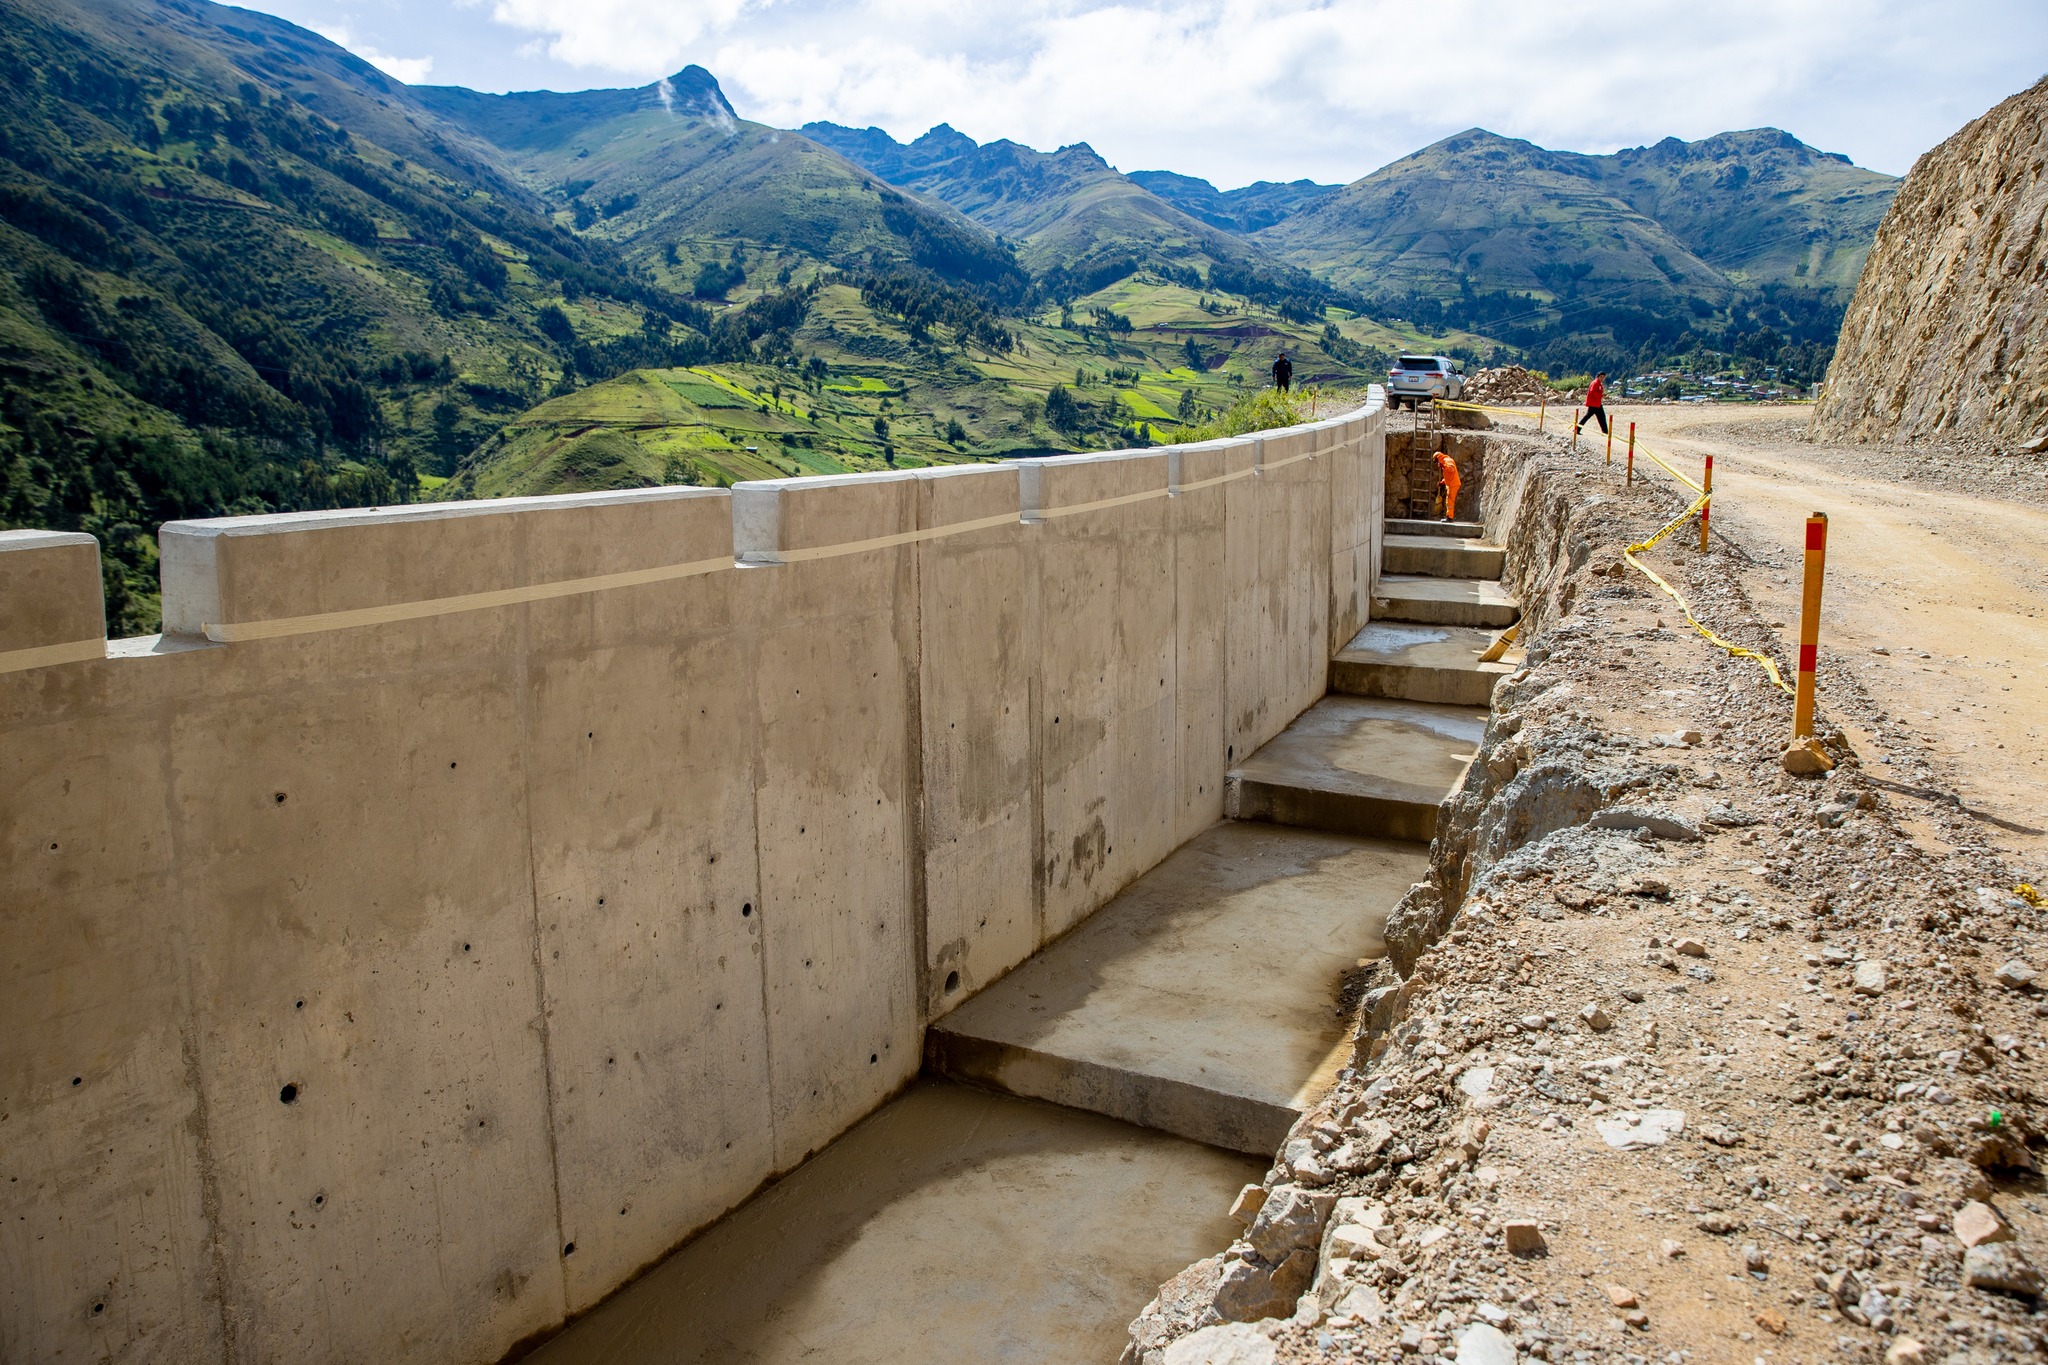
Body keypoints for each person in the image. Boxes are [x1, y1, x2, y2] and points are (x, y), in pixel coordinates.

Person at [1434, 449, 1461, 522]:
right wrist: (1442, 482)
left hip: (1453, 484)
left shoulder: (1447, 461)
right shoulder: (1445, 462)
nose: (1437, 463)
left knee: (1450, 501)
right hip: (1451, 484)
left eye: (1436, 461)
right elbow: (1448, 476)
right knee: (1448, 501)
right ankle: (1449, 516)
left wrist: (1443, 466)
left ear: (1438, 457)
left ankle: (1450, 518)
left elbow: (1451, 469)